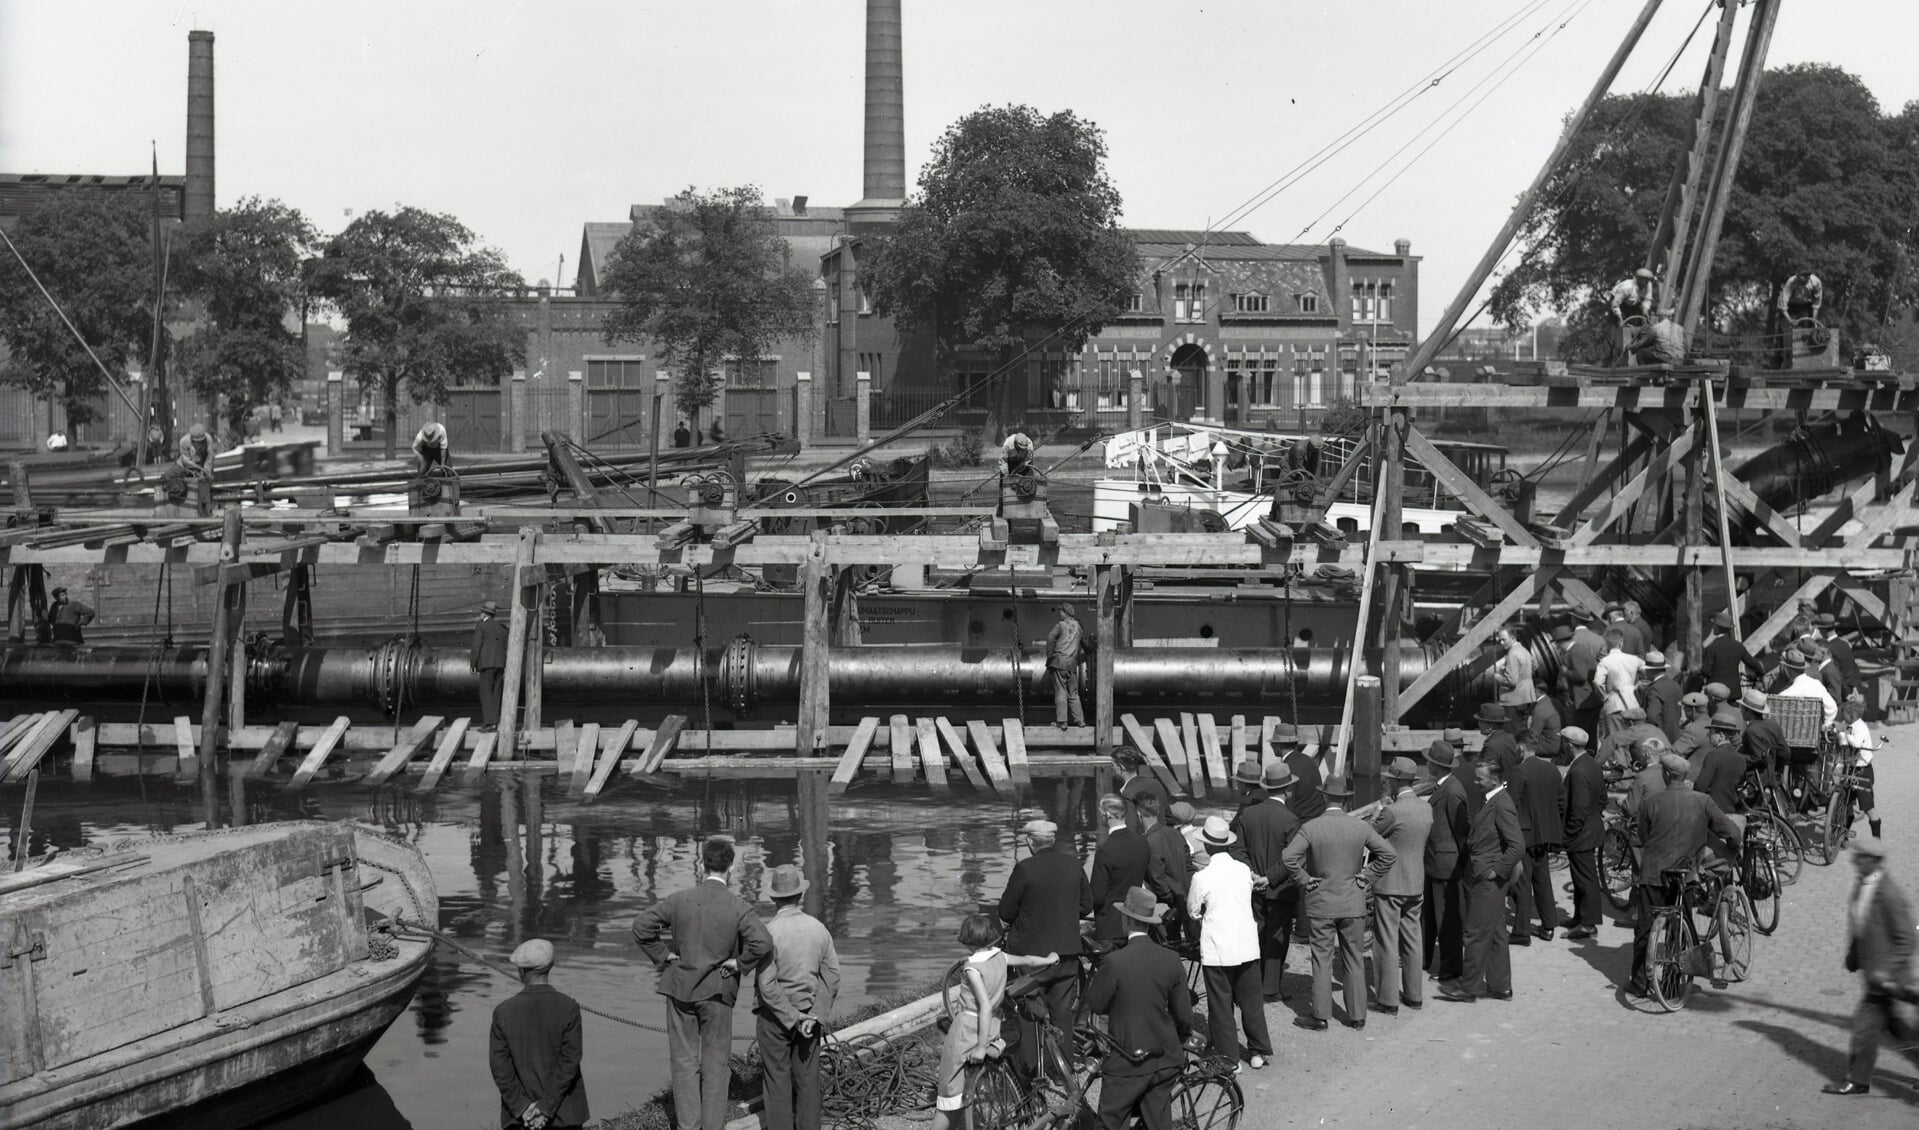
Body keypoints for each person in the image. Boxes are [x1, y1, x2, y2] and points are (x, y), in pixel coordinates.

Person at [631, 836, 783, 1130]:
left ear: (701, 864)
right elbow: (763, 942)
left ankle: (688, 1125)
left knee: (684, 1061)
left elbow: (641, 927)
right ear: (732, 866)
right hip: (718, 990)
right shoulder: (738, 906)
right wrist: (740, 964)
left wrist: (664, 956)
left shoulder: (679, 900)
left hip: (679, 988)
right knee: (715, 1065)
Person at [1283, 776, 1395, 1030]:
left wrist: (1304, 879)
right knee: (1354, 958)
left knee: (1321, 959)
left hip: (1321, 900)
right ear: (1346, 800)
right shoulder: (1359, 827)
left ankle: (1321, 1016)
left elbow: (1289, 857)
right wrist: (1367, 877)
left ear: (1323, 797)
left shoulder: (1312, 826)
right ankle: (1357, 1017)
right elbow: (1389, 854)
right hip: (1352, 899)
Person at [1627, 755, 1744, 996]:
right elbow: (1730, 830)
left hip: (1653, 874)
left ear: (1666, 775)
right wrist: (1734, 845)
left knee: (1644, 929)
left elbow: (1641, 838)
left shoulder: (1652, 802)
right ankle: (1672, 985)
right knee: (1679, 926)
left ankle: (1639, 983)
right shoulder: (1703, 801)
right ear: (1685, 776)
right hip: (1685, 874)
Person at [1083, 887, 1196, 1130]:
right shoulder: (1171, 959)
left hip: (1127, 1058)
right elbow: (1184, 1014)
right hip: (1164, 1057)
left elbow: (1096, 1004)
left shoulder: (1114, 962)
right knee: (1157, 1121)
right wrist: (1182, 1035)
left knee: (1110, 1122)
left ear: (1126, 920)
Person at [933, 914, 1053, 1130]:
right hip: (993, 1027)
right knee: (974, 1077)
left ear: (968, 942)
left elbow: (984, 1006)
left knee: (950, 1086)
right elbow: (1028, 959)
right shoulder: (1001, 957)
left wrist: (979, 1046)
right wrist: (1049, 959)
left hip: (969, 1028)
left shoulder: (971, 968)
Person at [1821, 838, 1917, 1096]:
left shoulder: (1888, 894)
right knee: (1899, 1029)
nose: (1853, 861)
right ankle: (1858, 1079)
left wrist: (1886, 968)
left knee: (1866, 1025)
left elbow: (1907, 938)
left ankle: (1857, 1080)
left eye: (1859, 857)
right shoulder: (1862, 884)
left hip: (1889, 978)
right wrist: (1854, 955)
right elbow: (1860, 924)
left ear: (1873, 861)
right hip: (1876, 976)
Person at [997, 819, 1092, 1061]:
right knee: (1062, 1013)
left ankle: (1029, 1073)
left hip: (1032, 955)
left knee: (1029, 1014)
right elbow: (1086, 905)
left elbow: (1006, 912)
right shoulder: (1073, 864)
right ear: (1052, 840)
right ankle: (1065, 1067)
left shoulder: (1025, 868)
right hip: (1067, 952)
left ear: (1030, 842)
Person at [755, 865, 840, 1130]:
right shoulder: (819, 929)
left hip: (776, 1018)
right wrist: (814, 1015)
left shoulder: (768, 933)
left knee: (776, 1081)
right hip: (810, 1016)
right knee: (808, 1081)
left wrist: (793, 1018)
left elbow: (767, 986)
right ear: (800, 895)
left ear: (773, 898)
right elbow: (833, 976)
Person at [1187, 816, 1272, 1070]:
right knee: (1251, 1001)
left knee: (1221, 1005)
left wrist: (1203, 915)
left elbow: (1193, 910)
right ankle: (1258, 1050)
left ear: (1207, 846)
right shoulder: (1243, 870)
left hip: (1218, 948)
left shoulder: (1202, 876)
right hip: (1246, 944)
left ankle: (1229, 1059)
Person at [1437, 759, 1521, 1003]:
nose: (1475, 782)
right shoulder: (1493, 800)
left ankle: (1469, 987)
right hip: (1487, 874)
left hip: (1488, 878)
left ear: (1494, 779)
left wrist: (1497, 871)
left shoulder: (1501, 804)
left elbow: (1517, 845)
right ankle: (1500, 985)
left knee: (1474, 933)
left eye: (1479, 778)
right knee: (1495, 931)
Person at [489, 939, 588, 1130]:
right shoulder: (569, 1007)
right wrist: (545, 1108)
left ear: (521, 972)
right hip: (565, 1114)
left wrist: (522, 1107)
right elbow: (570, 1062)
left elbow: (500, 1069)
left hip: (519, 1118)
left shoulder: (503, 1011)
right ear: (551, 967)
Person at [1228, 760, 1302, 1002]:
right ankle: (1270, 987)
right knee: (1277, 938)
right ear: (1288, 790)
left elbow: (1237, 849)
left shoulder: (1247, 814)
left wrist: (1252, 874)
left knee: (1254, 933)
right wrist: (1268, 878)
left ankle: (1250, 984)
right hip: (1280, 888)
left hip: (1252, 885)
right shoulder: (1291, 820)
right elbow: (1292, 859)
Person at [1370, 757, 1432, 1015]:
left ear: (1395, 781)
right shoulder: (1425, 809)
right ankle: (1414, 994)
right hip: (1415, 882)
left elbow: (1369, 835)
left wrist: (1378, 811)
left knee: (1386, 940)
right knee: (1412, 939)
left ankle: (1387, 999)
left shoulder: (1393, 811)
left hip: (1391, 884)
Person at [1422, 738, 1472, 982]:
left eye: (1429, 762)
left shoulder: (1452, 791)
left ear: (1436, 766)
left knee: (1447, 919)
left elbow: (1462, 831)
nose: (1427, 765)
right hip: (1437, 862)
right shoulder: (1445, 787)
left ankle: (1451, 967)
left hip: (1446, 864)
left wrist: (1461, 864)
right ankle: (1427, 959)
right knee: (1432, 916)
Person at [1513, 738, 1565, 943]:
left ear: (1521, 747)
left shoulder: (1519, 771)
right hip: (1545, 835)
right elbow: (1561, 801)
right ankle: (1549, 924)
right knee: (1543, 880)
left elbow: (1511, 802)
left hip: (1525, 835)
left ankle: (1521, 931)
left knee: (1522, 884)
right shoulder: (1552, 770)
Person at [1560, 727, 1606, 940]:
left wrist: (1569, 832)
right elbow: (1603, 799)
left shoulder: (1578, 771)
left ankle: (1588, 923)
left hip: (1581, 833)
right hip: (1591, 828)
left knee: (1586, 878)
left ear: (1569, 745)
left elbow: (1578, 807)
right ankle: (1580, 916)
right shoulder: (1592, 764)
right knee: (1580, 876)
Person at [1091, 794, 1151, 942]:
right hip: (1136, 919)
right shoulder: (1142, 842)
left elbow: (1097, 895)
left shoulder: (1106, 850)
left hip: (1111, 924)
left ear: (1107, 815)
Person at [1137, 792, 1192, 946]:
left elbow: (1157, 877)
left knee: (1164, 944)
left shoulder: (1148, 841)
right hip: (1183, 898)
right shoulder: (1176, 834)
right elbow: (1188, 866)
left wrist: (1167, 898)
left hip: (1166, 905)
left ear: (1139, 814)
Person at [1595, 627, 1646, 748]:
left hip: (1614, 704)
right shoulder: (1634, 659)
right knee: (1634, 738)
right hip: (1633, 702)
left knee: (1616, 739)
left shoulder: (1605, 662)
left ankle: (1620, 764)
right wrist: (1638, 686)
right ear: (1621, 642)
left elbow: (1597, 682)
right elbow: (1647, 672)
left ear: (1607, 644)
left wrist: (1604, 697)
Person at [1693, 711, 1748, 813]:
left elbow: (1700, 786)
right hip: (1732, 810)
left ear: (1721, 735)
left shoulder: (1713, 756)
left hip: (1713, 811)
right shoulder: (1740, 758)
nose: (1708, 735)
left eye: (1711, 732)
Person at [471, 599, 511, 730]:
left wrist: (473, 664)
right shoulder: (503, 628)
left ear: (484, 614)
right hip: (500, 665)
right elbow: (506, 648)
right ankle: (494, 721)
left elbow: (477, 647)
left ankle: (489, 723)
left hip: (486, 664)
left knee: (486, 693)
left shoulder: (481, 626)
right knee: (496, 693)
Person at [1700, 610, 1765, 691]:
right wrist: (1760, 673)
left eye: (1714, 625)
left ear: (1717, 627)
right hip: (1734, 691)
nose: (1713, 628)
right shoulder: (1738, 646)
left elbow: (1706, 671)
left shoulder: (1712, 647)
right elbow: (1753, 663)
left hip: (1716, 693)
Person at [1114, 746, 1172, 834]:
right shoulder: (1156, 783)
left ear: (1121, 768)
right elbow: (1168, 815)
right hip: (1162, 840)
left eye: (1112, 765)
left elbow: (1130, 830)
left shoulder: (1127, 794)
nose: (1112, 769)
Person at [1045, 604, 1086, 727]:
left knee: (1060, 691)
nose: (1059, 614)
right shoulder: (1079, 628)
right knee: (1073, 693)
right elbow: (1085, 645)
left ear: (1065, 613)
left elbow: (1050, 638)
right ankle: (1080, 721)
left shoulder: (1061, 625)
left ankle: (1062, 722)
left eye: (1060, 612)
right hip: (1072, 664)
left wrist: (1050, 655)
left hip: (1058, 662)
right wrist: (1091, 650)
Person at [1776, 648, 1839, 727]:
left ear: (1786, 668)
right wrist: (1822, 727)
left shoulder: (1786, 695)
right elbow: (1832, 708)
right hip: (1817, 735)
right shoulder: (1816, 684)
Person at [1276, 724, 1325, 821]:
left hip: (1301, 821)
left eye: (1273, 743)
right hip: (1317, 817)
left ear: (1278, 746)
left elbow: (1288, 801)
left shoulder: (1287, 767)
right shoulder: (1309, 760)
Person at [1642, 650, 1682, 742]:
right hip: (1675, 735)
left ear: (1651, 670)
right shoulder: (1675, 685)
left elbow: (1652, 716)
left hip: (1660, 738)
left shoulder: (1655, 689)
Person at [1493, 627, 1536, 709]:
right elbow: (1534, 667)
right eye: (1500, 640)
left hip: (1513, 701)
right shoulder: (1524, 651)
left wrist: (1497, 677)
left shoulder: (1512, 654)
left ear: (1513, 638)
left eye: (1504, 640)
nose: (1501, 643)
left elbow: (1512, 681)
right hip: (1527, 698)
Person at [1476, 703, 1520, 777]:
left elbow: (1488, 775)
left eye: (1481, 721)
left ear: (1490, 726)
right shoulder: (1512, 739)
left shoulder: (1491, 746)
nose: (1478, 724)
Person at [1671, 691, 1712, 762]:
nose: (1683, 709)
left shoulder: (1693, 730)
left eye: (1685, 707)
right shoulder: (1712, 722)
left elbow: (1675, 752)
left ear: (1693, 710)